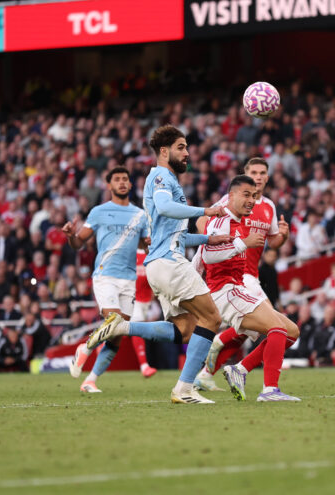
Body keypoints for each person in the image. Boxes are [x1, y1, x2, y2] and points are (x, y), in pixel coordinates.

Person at [86, 126, 229, 404]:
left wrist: (209, 238)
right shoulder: (162, 176)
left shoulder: (167, 179)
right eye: (181, 147)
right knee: (212, 319)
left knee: (184, 329)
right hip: (169, 263)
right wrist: (206, 210)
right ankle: (184, 388)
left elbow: (177, 234)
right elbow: (164, 207)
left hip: (159, 264)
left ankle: (122, 328)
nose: (187, 153)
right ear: (164, 151)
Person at [196, 175, 301, 401]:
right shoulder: (221, 221)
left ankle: (240, 369)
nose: (251, 200)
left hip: (238, 288)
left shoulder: (241, 221)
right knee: (276, 328)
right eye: (246, 194)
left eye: (254, 196)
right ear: (231, 196)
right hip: (225, 291)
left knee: (291, 331)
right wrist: (243, 244)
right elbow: (206, 254)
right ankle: (270, 390)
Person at [62, 167, 157, 393]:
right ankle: (84, 348)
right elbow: (79, 243)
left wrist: (150, 242)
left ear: (130, 185)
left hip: (129, 279)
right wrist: (70, 236)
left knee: (116, 335)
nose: (122, 182)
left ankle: (90, 380)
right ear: (109, 185)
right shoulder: (98, 212)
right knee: (113, 320)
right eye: (117, 179)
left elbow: (144, 244)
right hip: (105, 275)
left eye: (125, 179)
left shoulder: (140, 215)